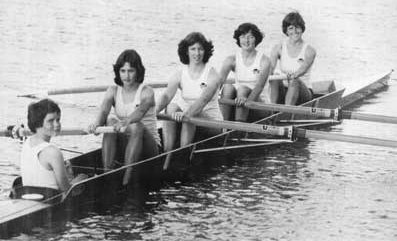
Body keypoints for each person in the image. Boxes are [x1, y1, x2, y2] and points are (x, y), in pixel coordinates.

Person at [87, 49, 161, 186]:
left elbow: (140, 111)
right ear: (118, 72)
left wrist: (125, 121)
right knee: (110, 121)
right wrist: (96, 124)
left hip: (150, 148)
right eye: (123, 71)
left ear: (138, 71)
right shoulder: (113, 91)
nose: (126, 76)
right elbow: (104, 112)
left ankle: (126, 180)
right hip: (127, 143)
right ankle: (107, 173)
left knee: (136, 125)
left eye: (131, 71)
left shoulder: (147, 92)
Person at [155, 32, 223, 167]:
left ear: (205, 51)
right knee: (171, 107)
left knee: (190, 115)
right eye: (193, 49)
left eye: (200, 49)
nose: (197, 53)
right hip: (189, 120)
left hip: (212, 124)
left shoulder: (213, 75)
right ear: (186, 51)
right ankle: (166, 154)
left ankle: (182, 158)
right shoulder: (180, 73)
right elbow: (167, 95)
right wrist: (153, 111)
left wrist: (186, 114)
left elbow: (202, 101)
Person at [20, 99, 87, 194]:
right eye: (51, 121)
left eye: (58, 119)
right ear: (38, 122)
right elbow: (67, 191)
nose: (57, 124)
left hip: (30, 195)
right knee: (84, 177)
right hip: (52, 201)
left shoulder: (27, 143)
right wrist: (72, 177)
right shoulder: (53, 152)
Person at [219, 22, 271, 122]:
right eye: (242, 37)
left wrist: (246, 102)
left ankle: (239, 127)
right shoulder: (231, 59)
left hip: (258, 105)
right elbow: (218, 83)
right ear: (238, 39)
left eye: (250, 37)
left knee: (242, 89)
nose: (246, 41)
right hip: (239, 103)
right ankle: (223, 125)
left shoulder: (264, 61)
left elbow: (259, 87)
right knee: (227, 87)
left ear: (256, 39)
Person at [269, 11, 316, 105]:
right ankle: (271, 110)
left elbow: (302, 70)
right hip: (285, 90)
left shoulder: (310, 51)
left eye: (297, 27)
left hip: (304, 93)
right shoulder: (278, 48)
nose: (294, 31)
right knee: (274, 77)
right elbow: (269, 70)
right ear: (286, 31)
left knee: (294, 80)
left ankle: (286, 112)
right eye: (291, 28)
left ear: (302, 29)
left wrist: (293, 75)